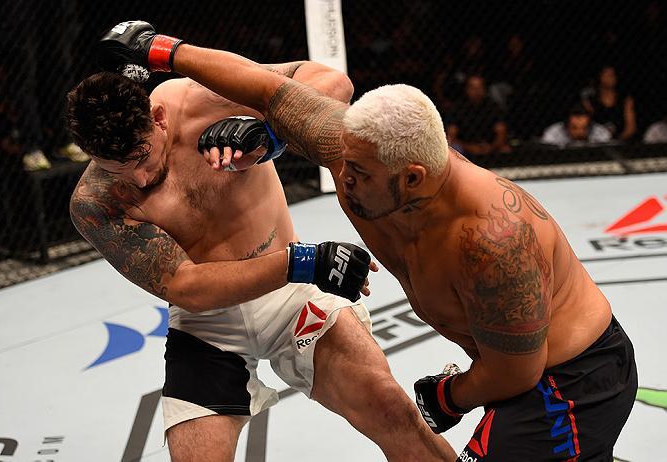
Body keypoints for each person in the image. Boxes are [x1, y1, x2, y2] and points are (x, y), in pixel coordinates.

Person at [98, 21, 639, 461]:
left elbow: (518, 369)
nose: (342, 176)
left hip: (567, 385)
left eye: (357, 172)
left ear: (412, 179)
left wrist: (448, 397)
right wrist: (165, 52)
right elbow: (271, 90)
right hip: (516, 374)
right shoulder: (361, 148)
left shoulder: (491, 238)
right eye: (343, 161)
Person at [67, 25, 456, 462]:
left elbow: (332, 85)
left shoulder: (201, 98)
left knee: (392, 410)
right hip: (209, 325)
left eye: (141, 156)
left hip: (292, 300)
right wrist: (303, 263)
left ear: (157, 117)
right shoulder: (96, 202)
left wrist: (269, 132)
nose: (138, 178)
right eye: (116, 168)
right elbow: (186, 286)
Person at [445, 74, 512, 156]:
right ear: (467, 90)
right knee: (453, 148)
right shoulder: (457, 108)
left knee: (505, 149)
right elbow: (451, 137)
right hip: (465, 146)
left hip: (489, 145)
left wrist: (491, 147)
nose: (477, 91)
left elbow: (501, 132)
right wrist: (470, 147)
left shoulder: (492, 106)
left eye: (480, 87)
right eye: (473, 88)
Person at [581, 65, 637, 142]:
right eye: (607, 74)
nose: (611, 77)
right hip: (596, 142)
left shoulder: (625, 100)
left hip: (621, 142)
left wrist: (617, 141)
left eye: (613, 74)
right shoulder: (590, 101)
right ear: (599, 77)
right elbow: (585, 125)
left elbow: (631, 128)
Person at [541, 103, 612, 147]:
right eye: (574, 128)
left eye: (584, 128)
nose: (580, 133)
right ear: (566, 126)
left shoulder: (601, 132)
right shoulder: (552, 133)